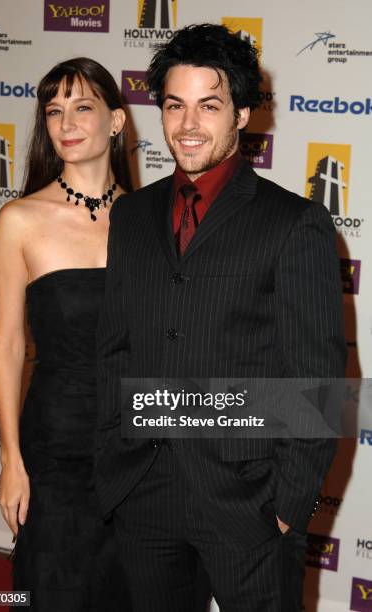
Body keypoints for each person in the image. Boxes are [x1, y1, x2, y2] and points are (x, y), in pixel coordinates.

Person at [95, 24, 347, 612]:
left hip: (249, 505)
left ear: (241, 114)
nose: (188, 126)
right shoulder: (131, 216)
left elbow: (317, 375)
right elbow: (113, 349)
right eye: (175, 106)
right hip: (143, 494)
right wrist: (112, 460)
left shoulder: (295, 224)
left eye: (209, 106)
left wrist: (291, 504)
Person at [0, 57, 132, 611]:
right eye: (54, 111)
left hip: (136, 449)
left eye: (82, 107)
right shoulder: (20, 219)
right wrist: (10, 459)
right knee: (50, 592)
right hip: (54, 450)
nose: (66, 123)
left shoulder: (149, 218)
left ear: (116, 121)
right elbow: (6, 344)